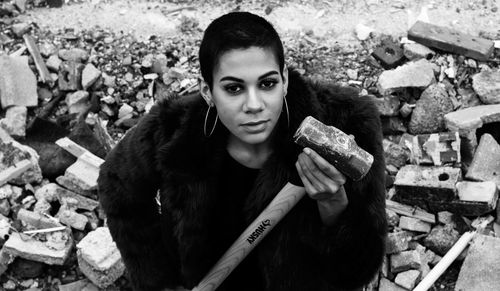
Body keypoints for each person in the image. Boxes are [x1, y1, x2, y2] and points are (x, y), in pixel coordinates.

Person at [98, 11, 387, 291]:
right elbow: (117, 185)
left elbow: (355, 272)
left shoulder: (347, 123)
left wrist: (333, 204)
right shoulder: (171, 130)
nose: (254, 105)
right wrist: (160, 282)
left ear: (284, 80)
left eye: (267, 83)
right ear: (207, 91)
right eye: (234, 88)